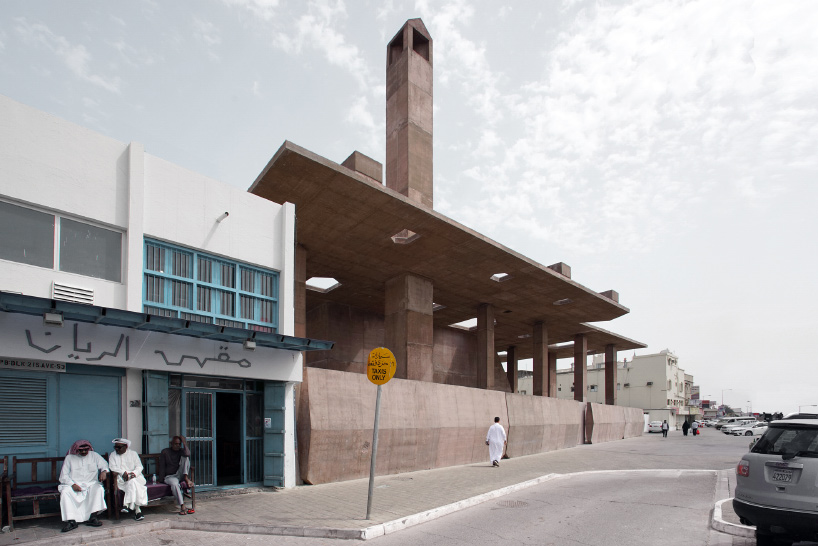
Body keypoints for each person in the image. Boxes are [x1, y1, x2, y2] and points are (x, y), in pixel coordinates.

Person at [58, 440, 109, 533]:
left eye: (86, 449)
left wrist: (104, 471)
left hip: (91, 484)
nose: (84, 452)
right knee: (65, 493)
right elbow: (63, 476)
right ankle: (71, 521)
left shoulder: (94, 455)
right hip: (74, 485)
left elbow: (104, 464)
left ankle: (93, 517)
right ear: (76, 450)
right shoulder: (70, 458)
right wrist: (72, 484)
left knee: (99, 489)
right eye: (81, 450)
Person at [108, 438, 148, 521]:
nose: (116, 449)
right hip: (122, 480)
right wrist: (123, 472)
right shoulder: (113, 455)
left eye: (119, 447)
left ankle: (126, 504)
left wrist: (134, 473)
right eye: (115, 447)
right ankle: (137, 511)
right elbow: (112, 467)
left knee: (132, 481)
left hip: (136, 477)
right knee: (132, 483)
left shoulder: (133, 454)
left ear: (125, 447)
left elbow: (139, 466)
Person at [159, 436, 195, 515]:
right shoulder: (165, 452)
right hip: (170, 477)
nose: (177, 446)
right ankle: (182, 505)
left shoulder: (181, 451)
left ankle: (186, 478)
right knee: (175, 484)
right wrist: (161, 480)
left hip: (180, 475)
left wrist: (184, 443)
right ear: (171, 444)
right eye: (175, 444)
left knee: (186, 458)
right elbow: (161, 466)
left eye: (179, 444)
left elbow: (187, 454)